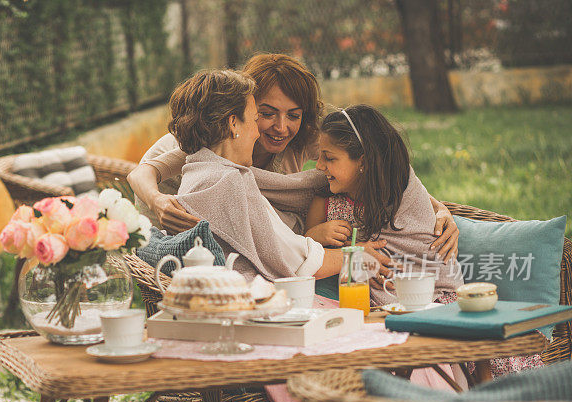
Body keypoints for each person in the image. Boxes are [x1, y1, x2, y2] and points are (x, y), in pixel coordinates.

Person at [128, 52, 459, 264]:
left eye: (294, 115)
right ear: (240, 113)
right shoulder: (209, 145)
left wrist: (436, 207)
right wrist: (158, 202)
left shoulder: (301, 139)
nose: (281, 128)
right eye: (267, 114)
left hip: (280, 247)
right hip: (192, 243)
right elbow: (140, 174)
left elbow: (373, 160)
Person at [168, 69, 382, 281]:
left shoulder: (198, 173)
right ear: (233, 124)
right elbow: (296, 262)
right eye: (254, 120)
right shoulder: (227, 182)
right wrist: (357, 255)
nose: (256, 132)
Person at [305, 104, 463, 305]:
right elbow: (303, 259)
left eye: (329, 158)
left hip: (436, 298)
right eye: (319, 156)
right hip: (372, 308)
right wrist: (314, 235)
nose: (318, 165)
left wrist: (442, 210)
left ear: (363, 162)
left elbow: (423, 246)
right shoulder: (323, 203)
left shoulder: (402, 194)